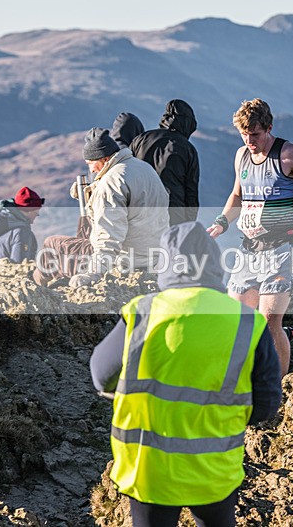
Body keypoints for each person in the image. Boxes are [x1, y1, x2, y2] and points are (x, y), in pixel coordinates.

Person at [89, 221, 282, 527]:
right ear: (214, 263)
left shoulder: (143, 312)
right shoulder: (246, 321)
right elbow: (266, 405)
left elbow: (101, 376)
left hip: (148, 469)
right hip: (215, 470)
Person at [207, 98, 293, 376]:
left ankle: (278, 391)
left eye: (255, 134)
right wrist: (221, 223)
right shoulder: (241, 155)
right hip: (249, 249)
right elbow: (238, 195)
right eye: (244, 134)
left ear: (268, 128)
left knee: (270, 319)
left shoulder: (289, 154)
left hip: (283, 247)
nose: (250, 140)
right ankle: (244, 382)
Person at [33, 128, 169, 287]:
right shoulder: (143, 168)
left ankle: (37, 285)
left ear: (104, 159)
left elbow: (108, 236)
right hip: (153, 255)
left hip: (126, 260)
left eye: (91, 163)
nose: (91, 169)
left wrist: (93, 273)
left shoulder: (111, 184)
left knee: (53, 243)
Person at [130, 99, 200, 226]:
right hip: (174, 217)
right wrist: (189, 225)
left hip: (141, 213)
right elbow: (191, 192)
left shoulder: (141, 140)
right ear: (187, 123)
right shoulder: (188, 149)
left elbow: (127, 174)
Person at [0, 186, 45, 264]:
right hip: (11, 275)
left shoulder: (0, 227)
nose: (37, 215)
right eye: (36, 211)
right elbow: (20, 266)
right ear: (29, 211)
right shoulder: (21, 232)